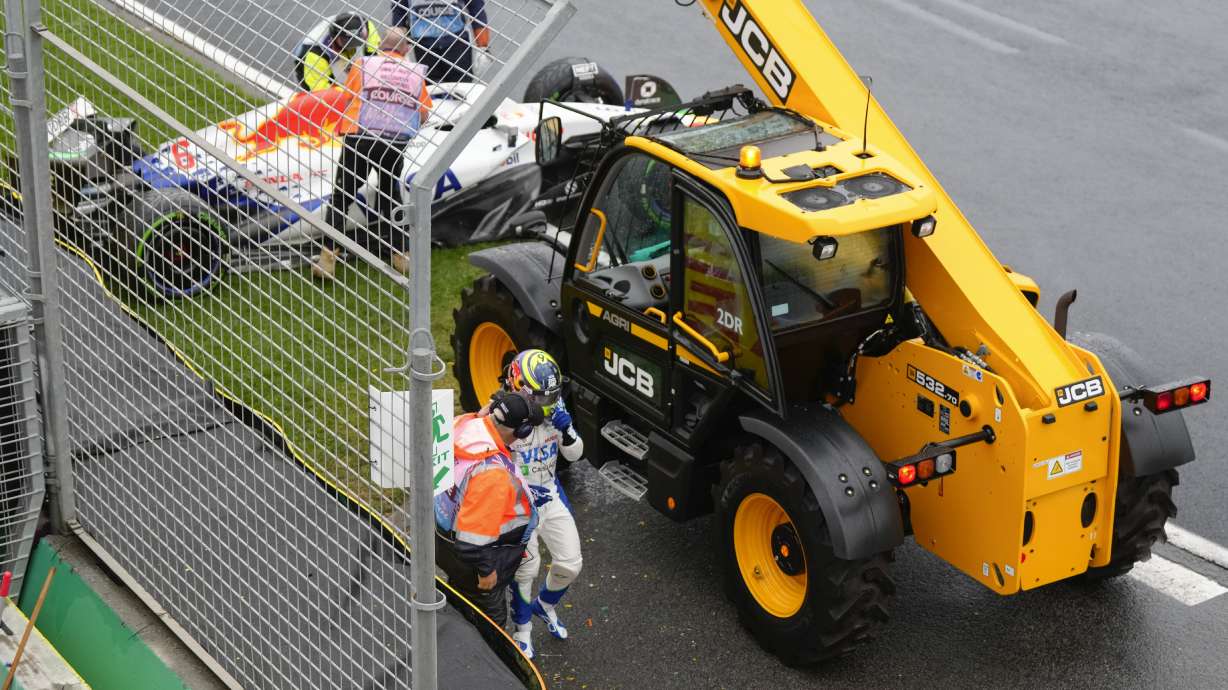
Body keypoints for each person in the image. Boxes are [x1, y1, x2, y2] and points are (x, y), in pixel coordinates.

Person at [312, 28, 431, 280]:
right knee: (390, 194)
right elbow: (423, 113)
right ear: (406, 49)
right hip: (393, 141)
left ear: (380, 47)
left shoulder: (363, 64)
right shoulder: (414, 72)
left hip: (360, 138)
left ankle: (327, 259)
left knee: (342, 196)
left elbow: (347, 98)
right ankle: (400, 255)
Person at [498, 349, 585, 659]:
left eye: (552, 396)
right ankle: (521, 632)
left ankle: (544, 606)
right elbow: (489, 465)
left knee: (571, 562)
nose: (548, 404)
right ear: (520, 387)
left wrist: (568, 430)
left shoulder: (554, 406)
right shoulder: (501, 411)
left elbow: (575, 455)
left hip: (550, 492)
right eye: (541, 398)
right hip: (517, 503)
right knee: (527, 567)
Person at [435, 390, 542, 626]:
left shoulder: (464, 425)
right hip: (473, 568)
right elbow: (471, 544)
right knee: (490, 628)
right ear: (521, 431)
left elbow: (478, 416)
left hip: (443, 540)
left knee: (458, 603)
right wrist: (487, 572)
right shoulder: (492, 474)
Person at [390, 0, 490, 83]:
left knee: (462, 90)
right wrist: (400, 51)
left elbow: (476, 9)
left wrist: (483, 47)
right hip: (424, 46)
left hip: (456, 43)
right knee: (432, 92)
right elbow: (399, 14)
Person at [293, 12, 381, 92]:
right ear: (334, 36)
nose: (352, 47)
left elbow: (376, 58)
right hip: (308, 67)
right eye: (347, 43)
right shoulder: (316, 53)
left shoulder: (367, 27)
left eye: (356, 41)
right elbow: (321, 91)